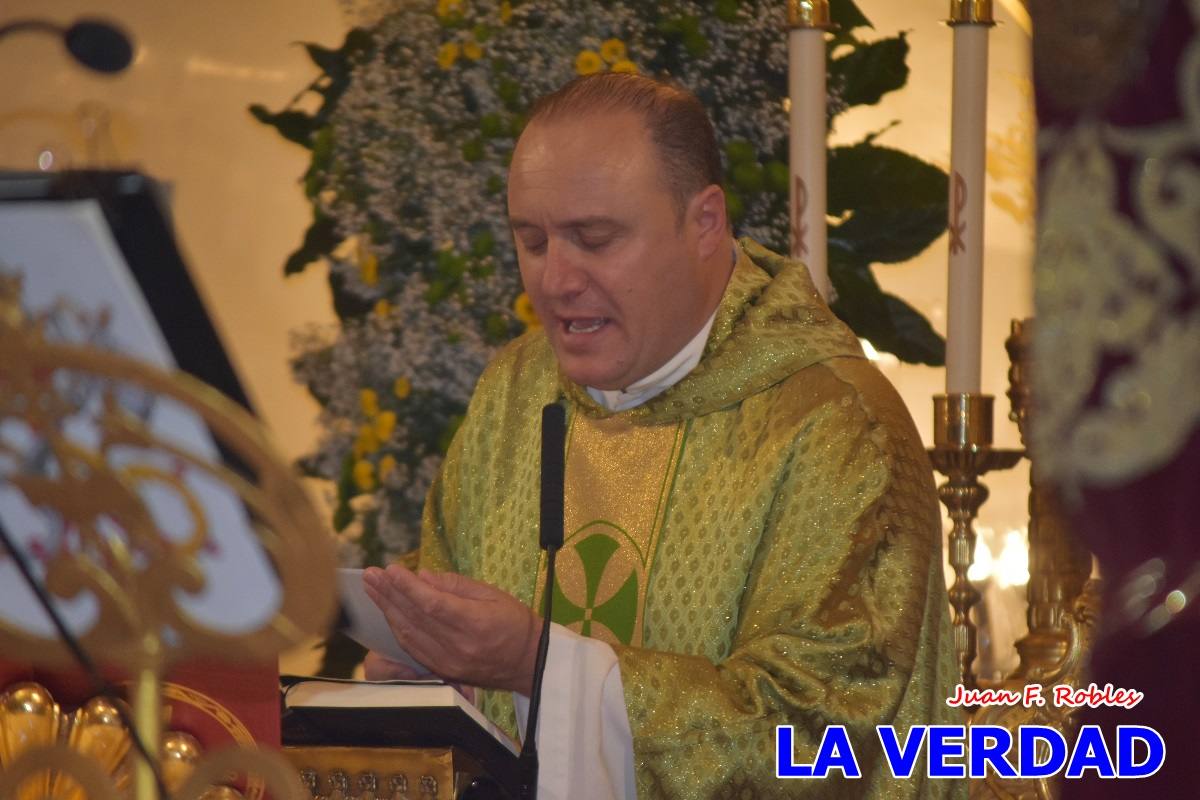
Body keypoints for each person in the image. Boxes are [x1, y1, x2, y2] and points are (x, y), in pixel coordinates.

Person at [362, 73, 963, 799]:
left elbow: (828, 737)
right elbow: (449, 589)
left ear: (705, 222)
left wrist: (542, 665)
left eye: (594, 238)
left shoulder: (834, 426)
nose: (554, 280)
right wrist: (424, 665)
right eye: (533, 240)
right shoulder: (518, 389)